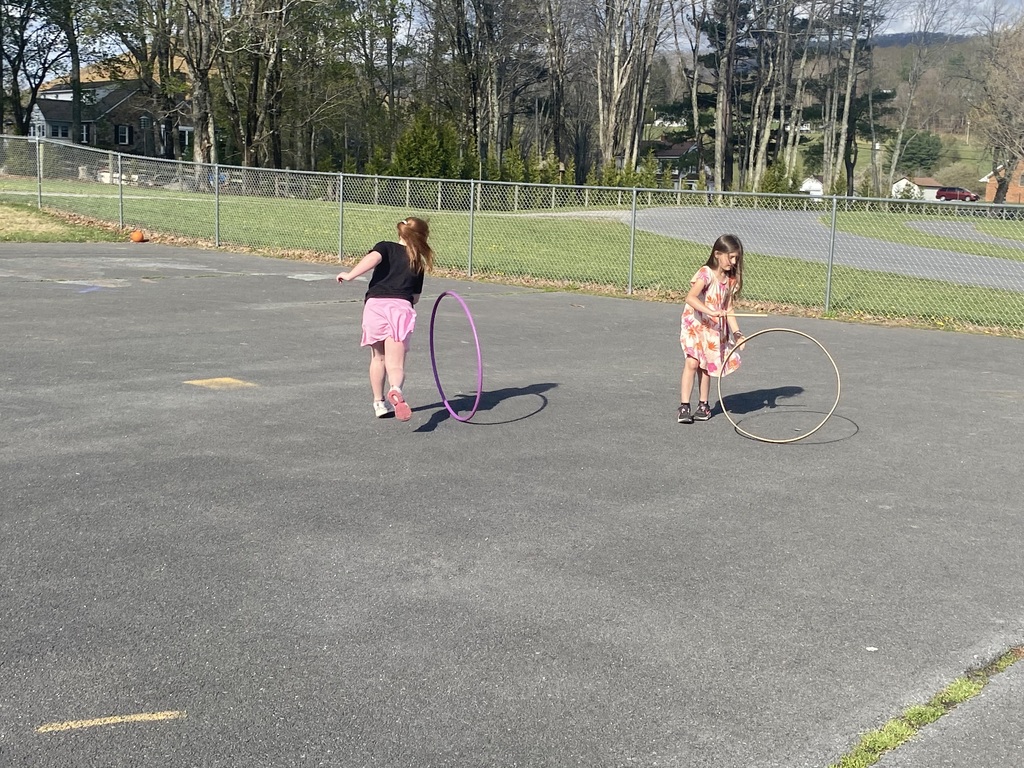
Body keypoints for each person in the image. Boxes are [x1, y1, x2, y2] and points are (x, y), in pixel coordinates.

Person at [337, 217, 435, 421]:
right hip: (400, 309)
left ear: (400, 231)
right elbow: (415, 298)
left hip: (376, 306)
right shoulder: (417, 261)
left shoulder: (385, 247)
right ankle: (396, 389)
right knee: (396, 364)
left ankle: (379, 403)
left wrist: (350, 275)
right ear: (421, 237)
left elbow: (372, 259)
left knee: (378, 358)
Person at [678, 234, 745, 424]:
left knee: (706, 366)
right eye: (730, 257)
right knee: (692, 362)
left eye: (736, 258)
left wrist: (737, 334)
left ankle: (703, 404)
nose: (733, 262)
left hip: (713, 329)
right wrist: (710, 311)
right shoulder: (706, 273)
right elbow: (691, 297)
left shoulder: (730, 279)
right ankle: (684, 406)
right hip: (695, 324)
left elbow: (729, 308)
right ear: (717, 254)